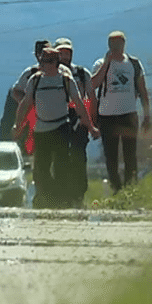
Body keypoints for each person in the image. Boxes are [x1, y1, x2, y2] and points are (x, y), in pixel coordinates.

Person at [12, 48, 100, 209]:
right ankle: (47, 197)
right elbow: (24, 105)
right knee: (42, 168)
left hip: (61, 128)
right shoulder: (35, 80)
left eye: (46, 62)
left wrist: (91, 127)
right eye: (41, 61)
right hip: (41, 130)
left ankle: (61, 200)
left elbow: (79, 105)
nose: (42, 65)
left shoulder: (66, 81)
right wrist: (18, 126)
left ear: (55, 63)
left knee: (62, 166)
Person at [91, 31, 150, 193]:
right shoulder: (100, 63)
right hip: (107, 116)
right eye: (113, 45)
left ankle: (131, 188)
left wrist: (147, 115)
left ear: (124, 44)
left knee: (130, 154)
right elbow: (93, 84)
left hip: (129, 114)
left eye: (118, 44)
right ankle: (116, 188)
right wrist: (106, 64)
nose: (116, 48)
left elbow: (143, 90)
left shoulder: (134, 64)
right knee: (111, 156)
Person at [53, 37, 98, 208]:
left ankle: (78, 194)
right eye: (61, 52)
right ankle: (61, 195)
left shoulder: (81, 73)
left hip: (79, 119)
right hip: (57, 119)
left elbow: (91, 97)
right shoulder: (49, 74)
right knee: (60, 158)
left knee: (79, 157)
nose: (65, 56)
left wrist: (91, 122)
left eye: (67, 52)